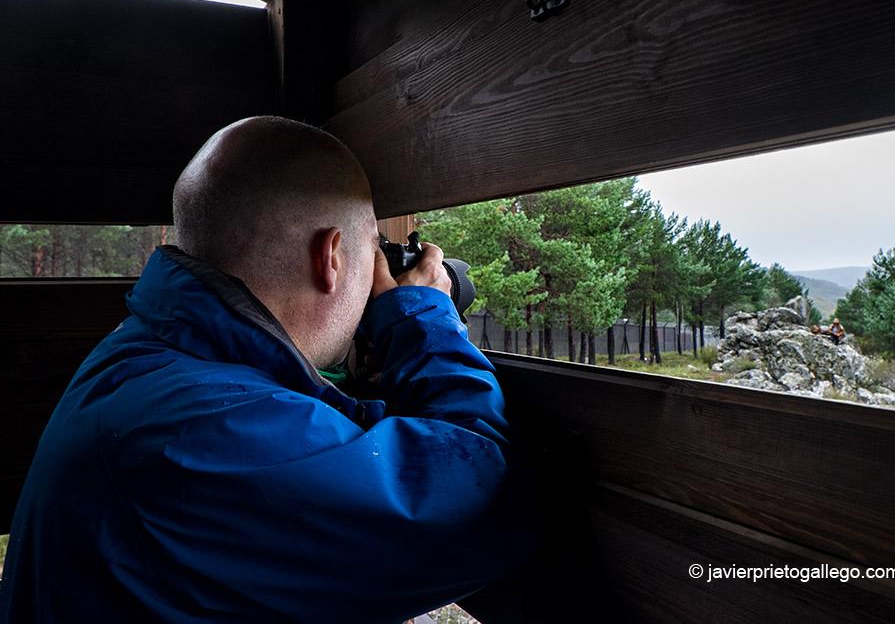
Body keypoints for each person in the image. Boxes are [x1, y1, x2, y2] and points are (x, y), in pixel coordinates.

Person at [0, 116, 539, 623]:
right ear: (331, 258)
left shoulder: (152, 359)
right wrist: (422, 316)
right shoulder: (201, 426)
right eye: (371, 251)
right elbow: (481, 502)